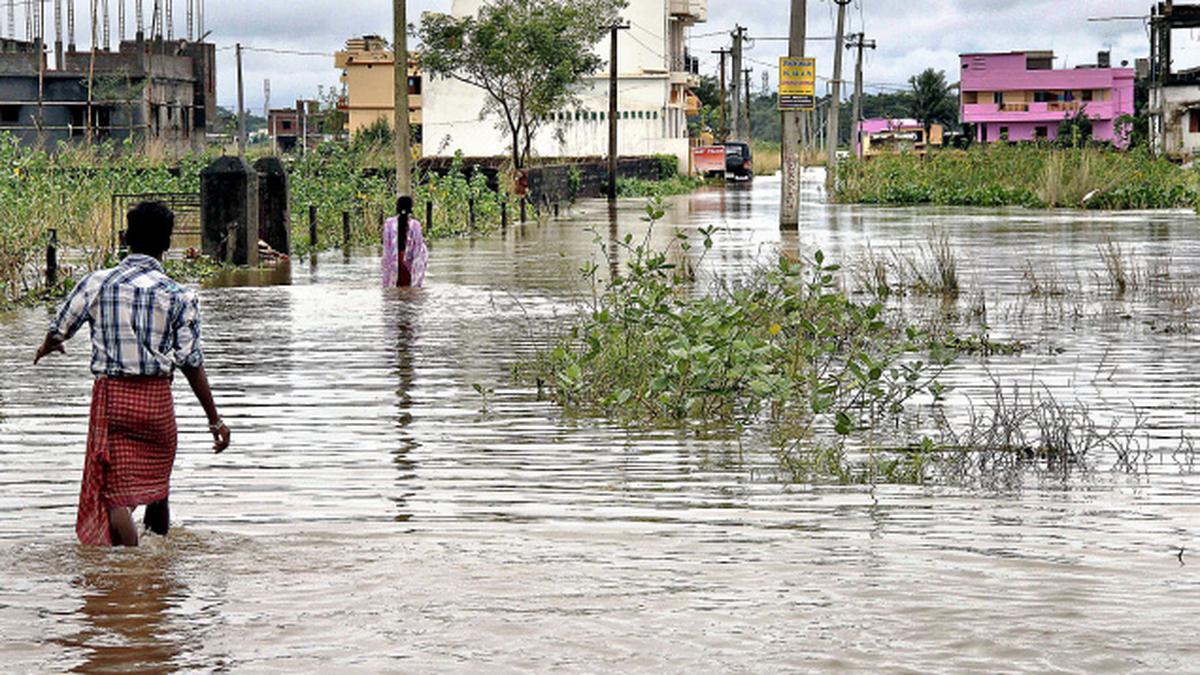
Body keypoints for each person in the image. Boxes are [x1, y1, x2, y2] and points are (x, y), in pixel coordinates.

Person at [33, 201, 231, 547]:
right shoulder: (179, 295)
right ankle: (157, 573)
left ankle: (128, 569)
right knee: (158, 490)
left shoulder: (97, 283)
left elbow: (60, 328)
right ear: (168, 243)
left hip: (115, 400)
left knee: (115, 495)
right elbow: (190, 361)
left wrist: (48, 346)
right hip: (157, 405)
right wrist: (215, 420)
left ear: (125, 237)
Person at [382, 196, 428, 288]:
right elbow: (418, 249)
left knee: (394, 289)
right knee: (408, 290)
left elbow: (386, 246)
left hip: (394, 262)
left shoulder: (389, 223)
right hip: (408, 262)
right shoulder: (415, 224)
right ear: (411, 208)